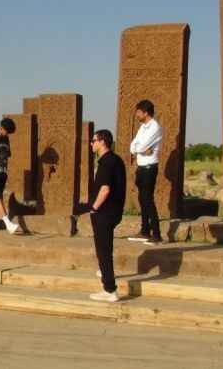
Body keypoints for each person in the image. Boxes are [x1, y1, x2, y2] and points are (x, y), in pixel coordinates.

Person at [88, 129, 126, 302]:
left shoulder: (105, 162)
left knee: (103, 250)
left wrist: (94, 208)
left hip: (104, 212)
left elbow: (105, 189)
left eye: (94, 140)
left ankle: (109, 289)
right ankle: (104, 272)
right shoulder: (117, 160)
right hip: (114, 211)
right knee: (106, 247)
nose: (91, 143)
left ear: (102, 141)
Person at [127, 99, 164, 246]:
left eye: (138, 112)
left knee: (148, 200)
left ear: (145, 112)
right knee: (142, 199)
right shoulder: (143, 127)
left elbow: (141, 145)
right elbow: (133, 146)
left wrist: (140, 148)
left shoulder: (155, 127)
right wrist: (140, 149)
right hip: (141, 167)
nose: (136, 115)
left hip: (149, 167)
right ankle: (144, 230)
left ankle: (157, 233)